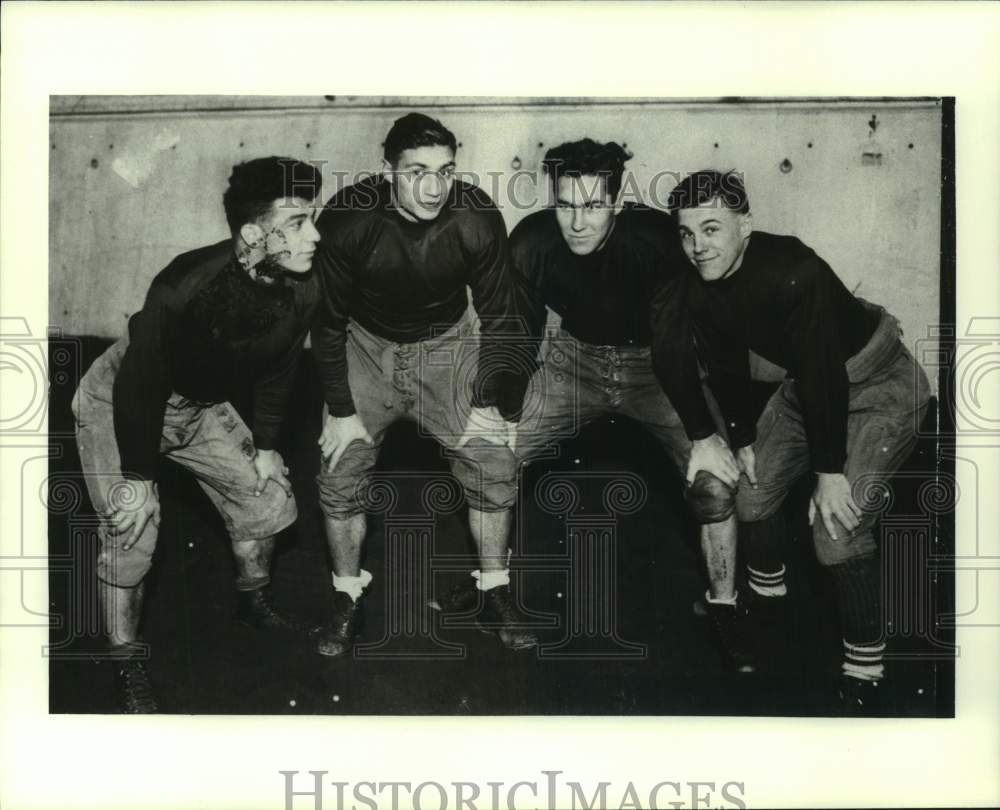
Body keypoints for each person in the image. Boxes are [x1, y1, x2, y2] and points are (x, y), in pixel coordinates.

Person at [654, 169, 931, 713]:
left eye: (712, 229)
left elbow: (826, 370)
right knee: (752, 494)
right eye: (687, 234)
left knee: (836, 532)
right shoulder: (701, 283)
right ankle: (769, 596)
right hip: (807, 387)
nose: (698, 247)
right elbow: (726, 361)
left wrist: (829, 474)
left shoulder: (795, 270)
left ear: (746, 225)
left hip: (878, 386)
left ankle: (866, 661)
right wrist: (743, 435)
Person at [72, 156, 324, 712]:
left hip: (199, 405)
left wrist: (266, 446)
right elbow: (141, 383)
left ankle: (251, 603)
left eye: (314, 218)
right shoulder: (184, 283)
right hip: (125, 397)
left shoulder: (303, 288)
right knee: (132, 528)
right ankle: (126, 662)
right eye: (300, 221)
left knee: (268, 498)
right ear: (254, 234)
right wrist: (137, 479)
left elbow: (282, 370)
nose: (316, 234)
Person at [509, 139, 751, 671]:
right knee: (490, 455)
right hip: (574, 364)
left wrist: (704, 435)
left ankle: (726, 605)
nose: (577, 221)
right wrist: (499, 408)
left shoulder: (655, 241)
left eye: (593, 206)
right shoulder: (531, 242)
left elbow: (670, 346)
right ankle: (493, 586)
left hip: (653, 369)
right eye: (566, 204)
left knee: (713, 482)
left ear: (617, 204)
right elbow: (522, 335)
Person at [311, 112, 536, 656]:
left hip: (446, 347)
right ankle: (347, 596)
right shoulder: (347, 219)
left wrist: (489, 402)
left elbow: (503, 316)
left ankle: (494, 590)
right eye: (416, 171)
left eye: (446, 169)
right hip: (366, 348)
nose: (434, 187)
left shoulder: (476, 215)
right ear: (387, 170)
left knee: (492, 462)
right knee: (340, 470)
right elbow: (326, 323)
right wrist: (341, 410)